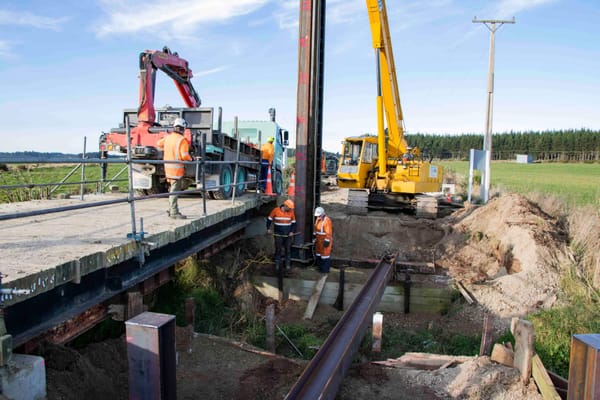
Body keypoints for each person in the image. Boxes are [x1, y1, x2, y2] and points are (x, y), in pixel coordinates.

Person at [157, 117, 191, 219]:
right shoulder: (182, 140)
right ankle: (174, 212)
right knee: (175, 191)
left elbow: (159, 144)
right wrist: (191, 158)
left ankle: (171, 208)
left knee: (172, 189)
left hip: (168, 168)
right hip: (176, 170)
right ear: (183, 129)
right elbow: (184, 155)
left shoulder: (168, 138)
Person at [266, 199, 296, 270]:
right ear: (285, 206)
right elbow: (269, 219)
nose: (290, 209)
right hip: (278, 234)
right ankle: (277, 264)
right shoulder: (275, 210)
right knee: (278, 249)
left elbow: (294, 223)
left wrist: (291, 231)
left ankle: (287, 264)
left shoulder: (291, 212)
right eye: (289, 208)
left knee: (288, 249)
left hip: (288, 235)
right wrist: (268, 229)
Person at [313, 206, 333, 273]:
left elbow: (328, 232)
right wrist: (314, 236)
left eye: (319, 215)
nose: (318, 216)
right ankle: (320, 268)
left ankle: (325, 270)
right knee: (318, 254)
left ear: (322, 214)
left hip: (324, 240)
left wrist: (327, 240)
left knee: (325, 255)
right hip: (319, 240)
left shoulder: (327, 220)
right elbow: (316, 228)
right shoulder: (318, 219)